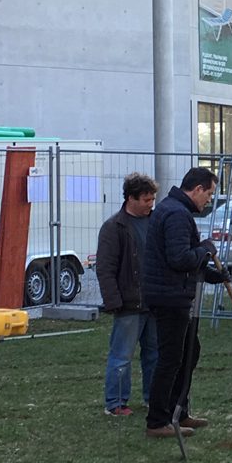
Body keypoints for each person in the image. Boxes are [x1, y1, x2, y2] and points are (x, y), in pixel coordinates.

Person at [141, 166, 220, 439]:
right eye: (208, 193)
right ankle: (158, 421)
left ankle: (179, 410)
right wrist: (206, 250)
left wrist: (212, 275)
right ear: (196, 189)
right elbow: (179, 258)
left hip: (172, 293)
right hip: (169, 298)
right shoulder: (175, 213)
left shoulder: (175, 210)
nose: (209, 199)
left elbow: (181, 259)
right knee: (171, 359)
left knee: (189, 353)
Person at [96, 172, 159, 418]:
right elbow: (105, 268)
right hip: (128, 304)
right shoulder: (113, 227)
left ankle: (153, 398)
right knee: (122, 356)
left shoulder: (156, 222)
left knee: (154, 354)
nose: (151, 204)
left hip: (154, 302)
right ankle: (116, 403)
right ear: (131, 198)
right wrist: (114, 302)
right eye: (146, 199)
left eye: (153, 199)